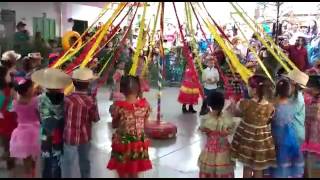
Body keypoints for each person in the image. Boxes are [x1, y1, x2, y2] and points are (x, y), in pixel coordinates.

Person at [230, 75, 276, 178]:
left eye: (248, 87)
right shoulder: (271, 106)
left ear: (255, 90)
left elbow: (235, 113)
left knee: (247, 166)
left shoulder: (245, 103)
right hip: (261, 140)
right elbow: (269, 120)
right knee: (258, 167)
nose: (247, 89)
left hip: (247, 139)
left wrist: (233, 103)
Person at [107, 75, 152, 178]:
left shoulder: (119, 107)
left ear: (122, 90)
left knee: (122, 171)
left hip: (122, 143)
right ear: (138, 89)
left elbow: (114, 125)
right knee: (134, 170)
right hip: (138, 144)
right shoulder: (145, 105)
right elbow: (146, 125)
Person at [31, 68, 72, 178]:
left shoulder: (39, 99)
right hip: (61, 134)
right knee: (58, 162)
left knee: (46, 162)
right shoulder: (67, 100)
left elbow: (37, 115)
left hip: (45, 135)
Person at [62, 68, 100, 178]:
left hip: (69, 136)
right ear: (89, 84)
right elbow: (95, 118)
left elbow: (62, 116)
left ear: (73, 82)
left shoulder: (67, 99)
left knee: (67, 163)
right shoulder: (91, 101)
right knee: (85, 161)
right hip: (85, 137)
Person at [268, 78, 304, 178]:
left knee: (280, 169)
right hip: (291, 139)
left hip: (278, 140)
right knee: (290, 170)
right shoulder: (292, 105)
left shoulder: (274, 107)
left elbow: (269, 121)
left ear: (276, 91)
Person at [198, 91, 235, 178]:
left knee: (209, 170)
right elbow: (231, 129)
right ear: (222, 104)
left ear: (209, 104)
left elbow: (203, 130)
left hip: (210, 151)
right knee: (223, 170)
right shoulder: (226, 118)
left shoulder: (206, 119)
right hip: (224, 151)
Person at [10, 78, 40, 178]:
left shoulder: (15, 103)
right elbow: (39, 115)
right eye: (32, 88)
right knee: (35, 158)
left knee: (26, 157)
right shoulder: (36, 101)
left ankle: (28, 175)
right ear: (28, 90)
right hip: (35, 131)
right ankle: (34, 174)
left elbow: (15, 117)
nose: (34, 89)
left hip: (21, 131)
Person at [301, 75, 320, 177]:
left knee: (310, 162)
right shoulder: (306, 98)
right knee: (307, 161)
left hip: (312, 137)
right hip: (309, 136)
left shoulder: (306, 99)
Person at [0, 66, 17, 175]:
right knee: (10, 143)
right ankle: (8, 160)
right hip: (9, 118)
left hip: (4, 119)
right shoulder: (10, 90)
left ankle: (8, 160)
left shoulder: (8, 90)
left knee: (6, 142)